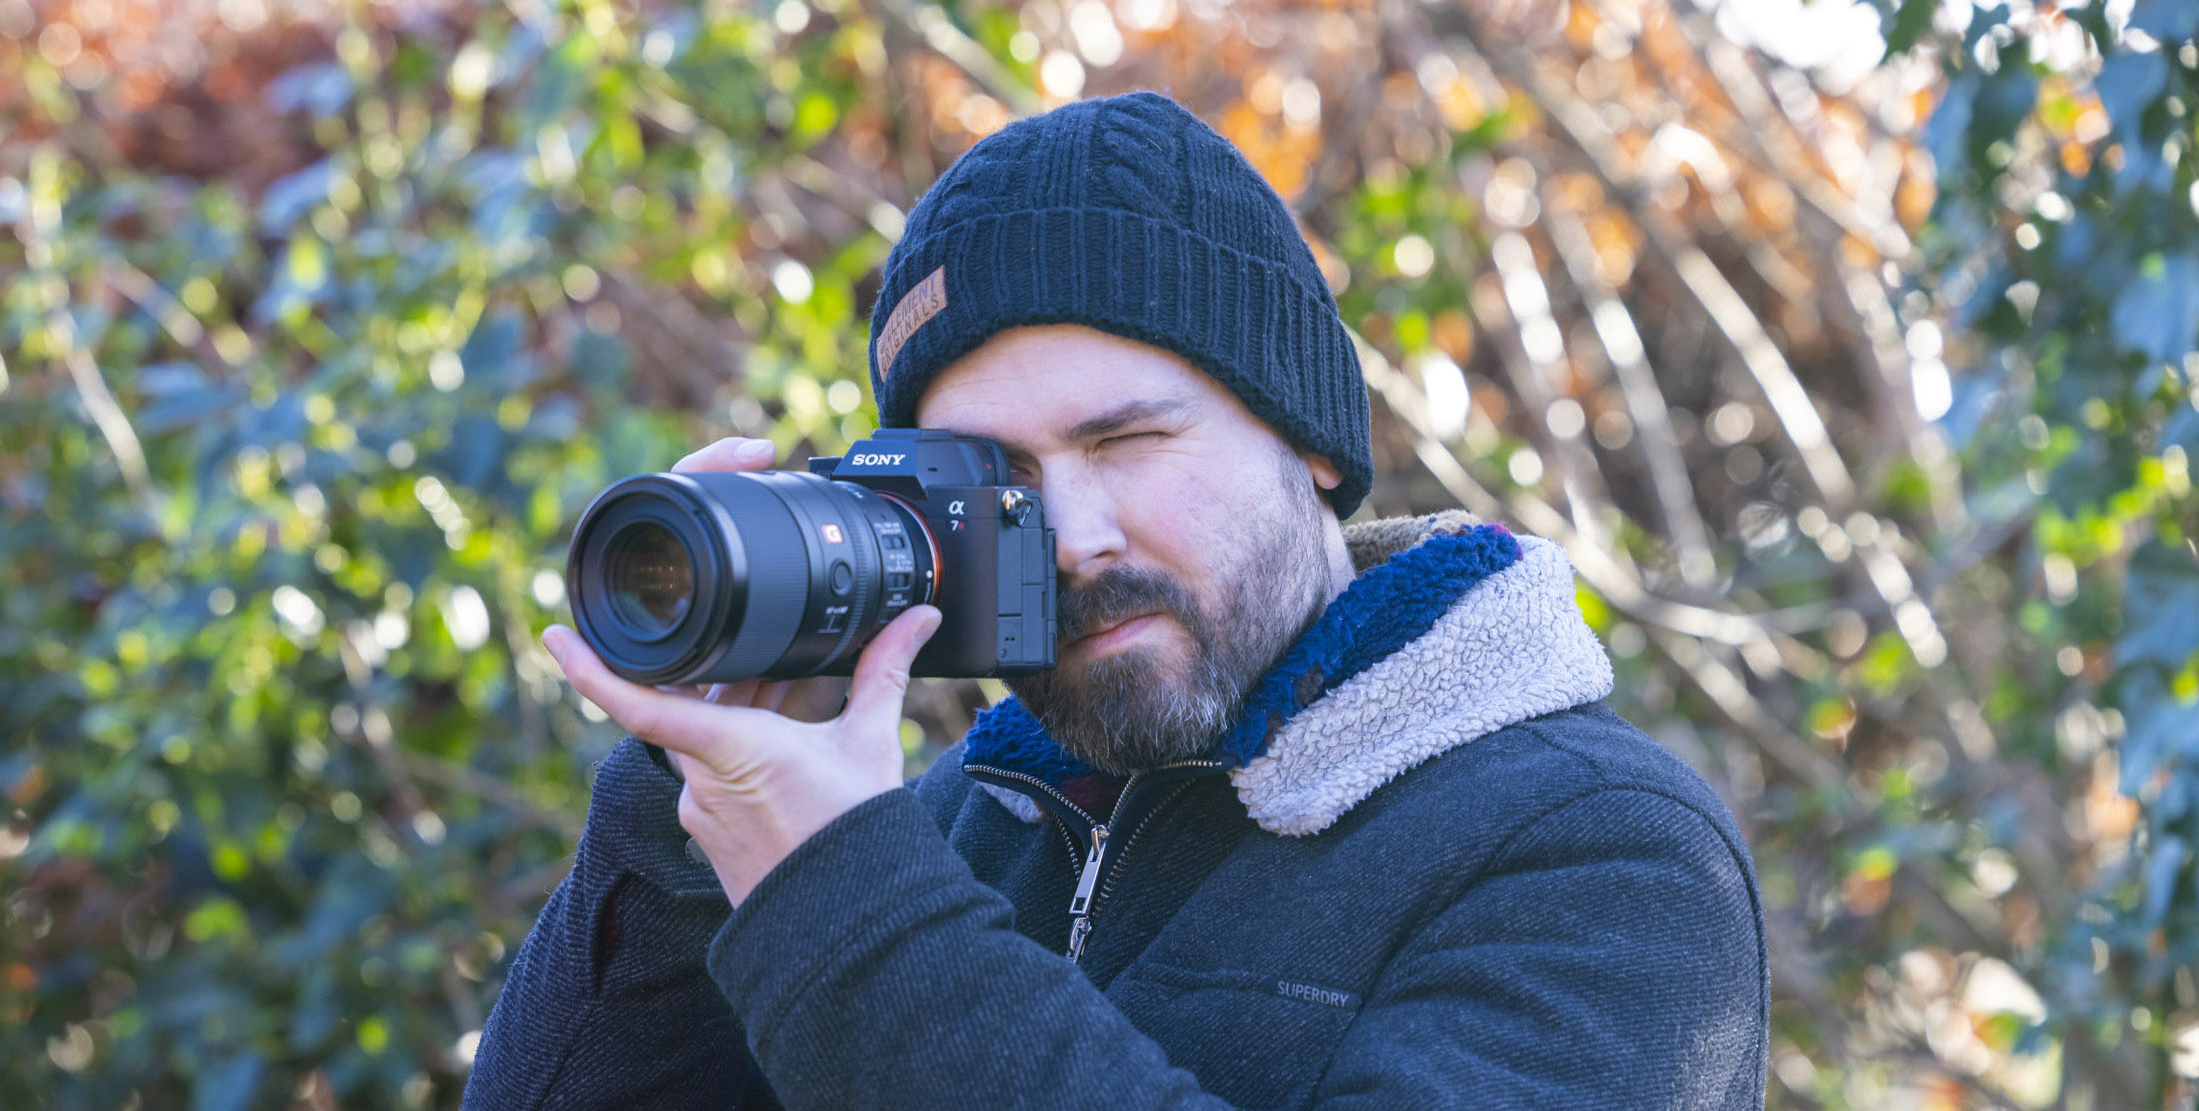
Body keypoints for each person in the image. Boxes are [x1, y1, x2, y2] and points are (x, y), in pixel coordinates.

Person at [461, 91, 1767, 1110]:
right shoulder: (961, 829)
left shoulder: (1602, 852)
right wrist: (683, 818)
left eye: (1128, 442)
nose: (1074, 537)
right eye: (1003, 477)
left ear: (1307, 443)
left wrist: (847, 916)